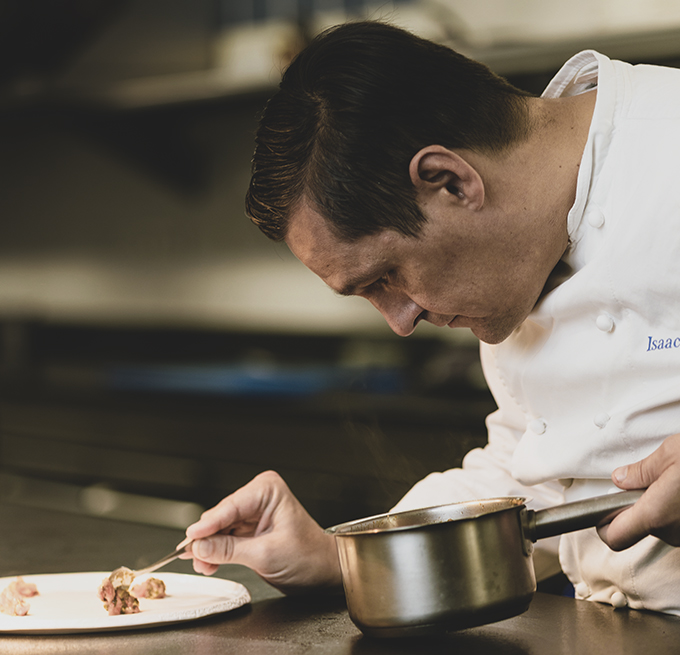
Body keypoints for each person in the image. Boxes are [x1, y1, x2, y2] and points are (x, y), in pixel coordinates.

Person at [181, 21, 680, 613]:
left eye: (385, 277)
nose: (399, 320)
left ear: (449, 181)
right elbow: (534, 472)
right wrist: (342, 555)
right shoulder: (518, 253)